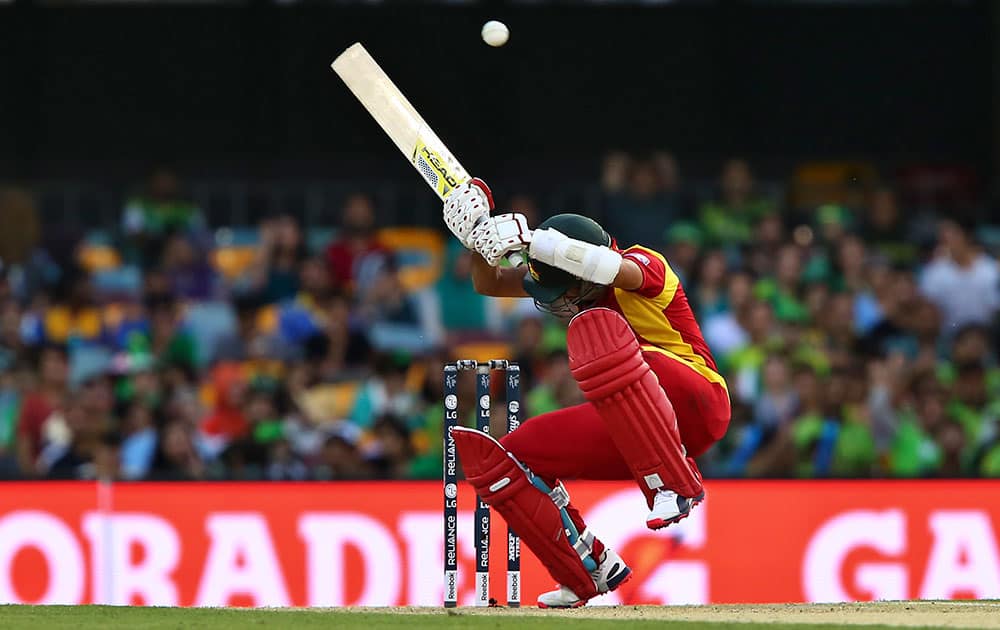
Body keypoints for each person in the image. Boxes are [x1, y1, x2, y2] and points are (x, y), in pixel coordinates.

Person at [441, 179, 731, 608]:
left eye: (567, 291)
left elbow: (615, 269)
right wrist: (476, 237)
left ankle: (675, 483)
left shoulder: (643, 264)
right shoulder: (566, 277)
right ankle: (586, 569)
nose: (561, 304)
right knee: (508, 459)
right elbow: (489, 284)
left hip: (695, 400)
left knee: (602, 336)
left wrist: (536, 241)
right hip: (631, 422)